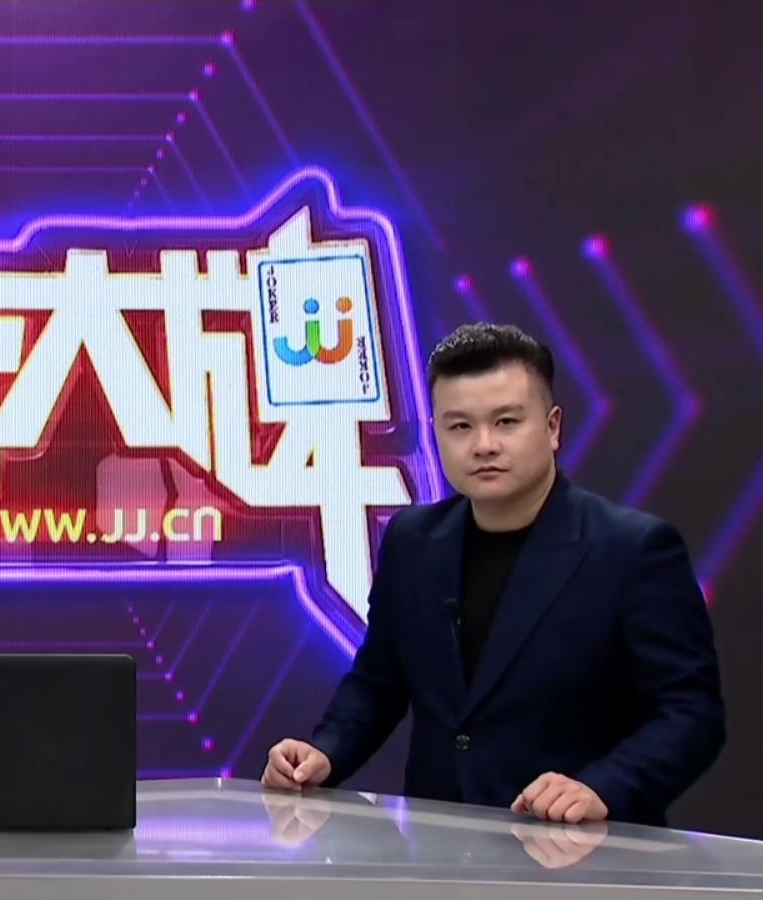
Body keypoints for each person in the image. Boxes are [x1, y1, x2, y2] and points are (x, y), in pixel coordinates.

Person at [264, 323, 724, 826]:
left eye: (506, 422)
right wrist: (325, 753)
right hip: (440, 845)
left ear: (552, 427)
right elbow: (378, 684)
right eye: (460, 427)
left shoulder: (632, 550)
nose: (483, 445)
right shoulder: (412, 542)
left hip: (582, 848)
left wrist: (602, 787)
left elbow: (690, 714)